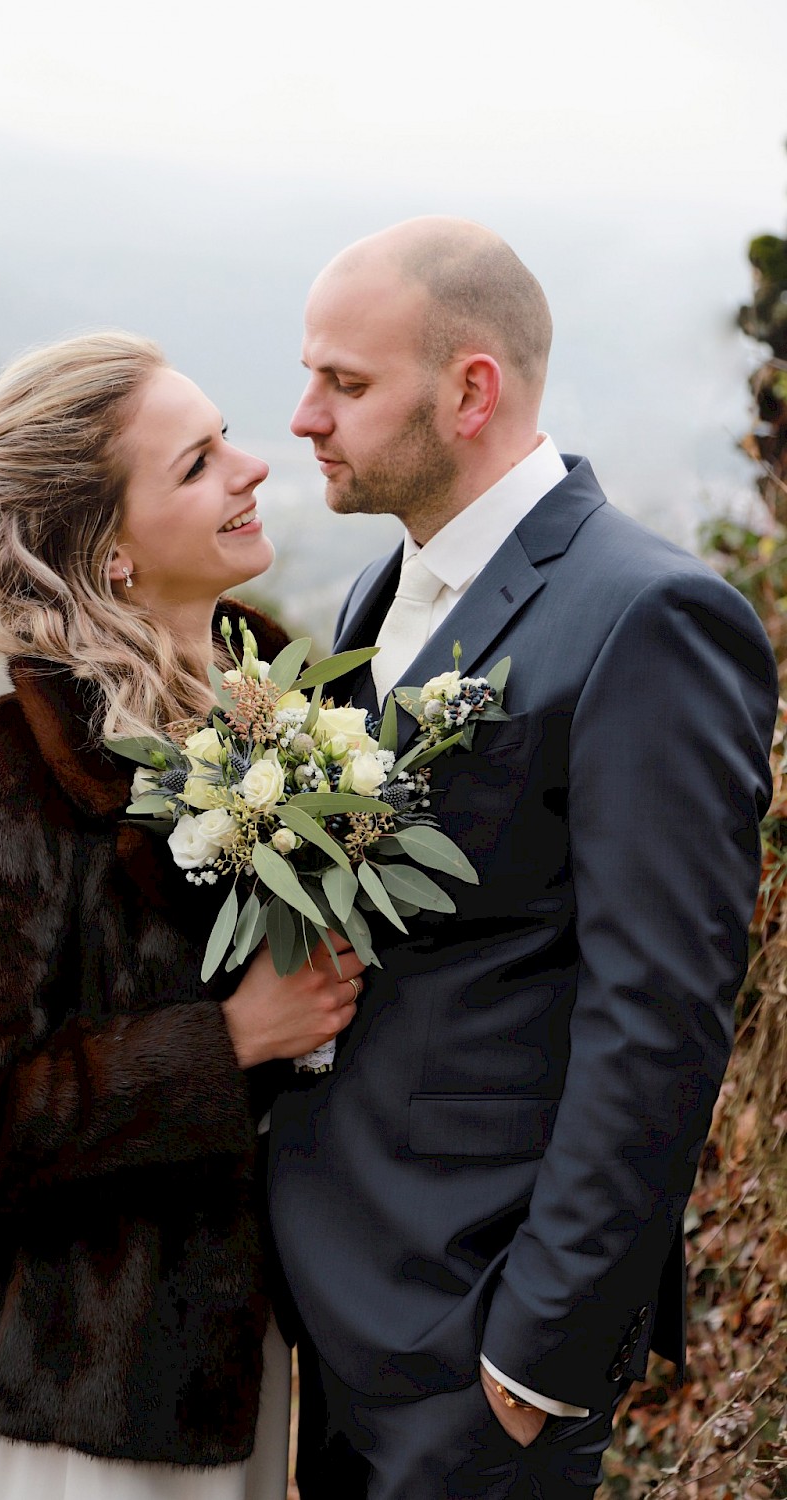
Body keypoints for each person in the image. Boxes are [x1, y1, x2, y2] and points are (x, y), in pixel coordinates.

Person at [268, 217, 778, 1499]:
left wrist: (538, 1352)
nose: (302, 417)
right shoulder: (373, 600)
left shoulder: (647, 615)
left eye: (344, 382)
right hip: (336, 1306)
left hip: (475, 1336)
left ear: (470, 389)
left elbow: (658, 1010)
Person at [0, 330, 366, 1500]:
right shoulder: (3, 787)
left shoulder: (291, 724)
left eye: (225, 438)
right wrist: (225, 1041)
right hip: (51, 1414)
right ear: (112, 557)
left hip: (233, 1374)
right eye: (196, 464)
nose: (248, 468)